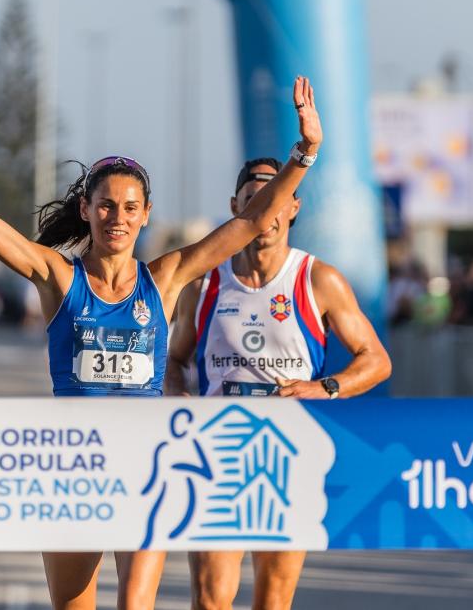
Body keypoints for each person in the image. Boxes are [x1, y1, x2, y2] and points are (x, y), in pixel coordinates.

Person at [0, 67, 323, 610]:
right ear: (86, 210)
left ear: (145, 216)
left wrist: (304, 152)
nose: (116, 217)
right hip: (73, 467)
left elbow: (252, 220)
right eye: (105, 205)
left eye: (129, 207)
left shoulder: (164, 279)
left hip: (147, 464)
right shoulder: (58, 277)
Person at [164, 157, 392, 610]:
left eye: (276, 202)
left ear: (293, 209)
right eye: (254, 201)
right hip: (217, 451)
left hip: (286, 453)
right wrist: (179, 399)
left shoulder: (318, 279)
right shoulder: (207, 282)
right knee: (210, 599)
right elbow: (174, 360)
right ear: (236, 207)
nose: (266, 212)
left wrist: (325, 387)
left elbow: (376, 360)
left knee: (272, 601)